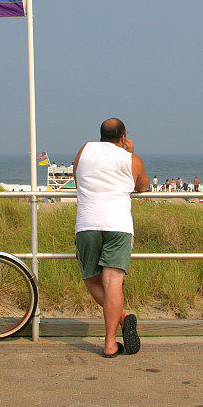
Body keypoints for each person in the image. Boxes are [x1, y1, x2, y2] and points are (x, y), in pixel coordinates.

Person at [73, 118, 150, 357]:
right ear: (124, 138)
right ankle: (110, 341)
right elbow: (142, 187)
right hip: (118, 224)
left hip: (88, 224)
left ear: (100, 135)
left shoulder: (84, 151)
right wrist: (130, 153)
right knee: (113, 283)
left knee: (92, 281)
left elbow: (78, 180)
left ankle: (123, 321)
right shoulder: (131, 159)